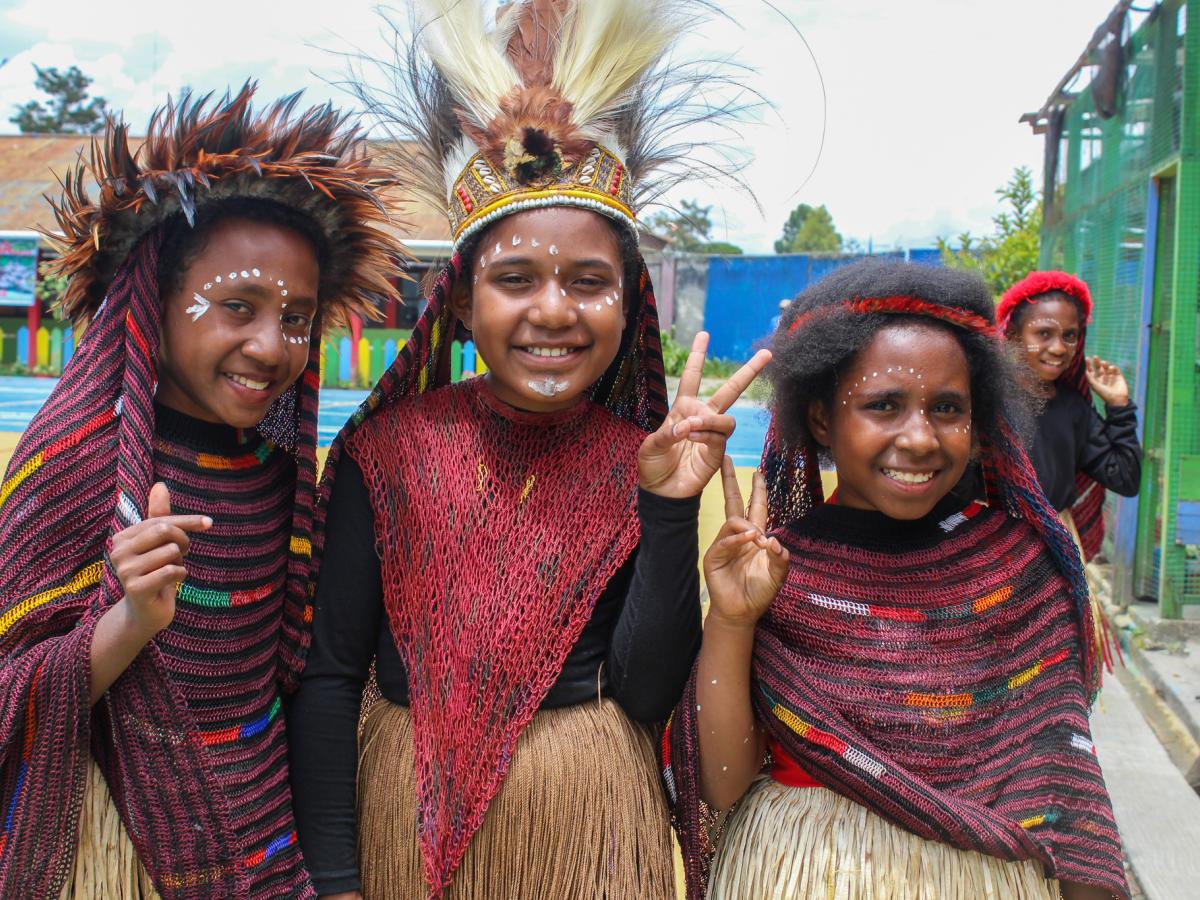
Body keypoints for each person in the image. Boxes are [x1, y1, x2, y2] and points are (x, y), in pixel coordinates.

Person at [288, 2, 764, 897]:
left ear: (629, 307)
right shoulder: (382, 456)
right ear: (463, 303)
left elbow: (645, 696)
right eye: (515, 280)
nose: (553, 310)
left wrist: (665, 513)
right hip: (406, 828)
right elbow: (329, 678)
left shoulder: (643, 460)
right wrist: (338, 880)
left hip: (593, 825)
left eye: (590, 283)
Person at [0, 84, 402, 899]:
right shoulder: (77, 464)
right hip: (112, 853)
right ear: (155, 302)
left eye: (297, 317)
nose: (271, 344)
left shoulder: (282, 480)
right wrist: (131, 622)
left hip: (266, 850)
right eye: (237, 306)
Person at [665, 259, 1129, 900]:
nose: (919, 438)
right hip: (801, 874)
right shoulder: (775, 569)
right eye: (883, 405)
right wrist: (733, 621)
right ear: (822, 419)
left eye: (947, 408)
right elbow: (724, 782)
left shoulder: (1018, 574)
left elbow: (1069, 806)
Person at [999, 271, 1141, 563]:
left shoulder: (1074, 410)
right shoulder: (987, 400)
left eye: (1069, 336)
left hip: (1054, 555)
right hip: (991, 547)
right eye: (1044, 334)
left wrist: (1119, 407)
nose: (1059, 348)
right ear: (1013, 335)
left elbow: (1125, 478)